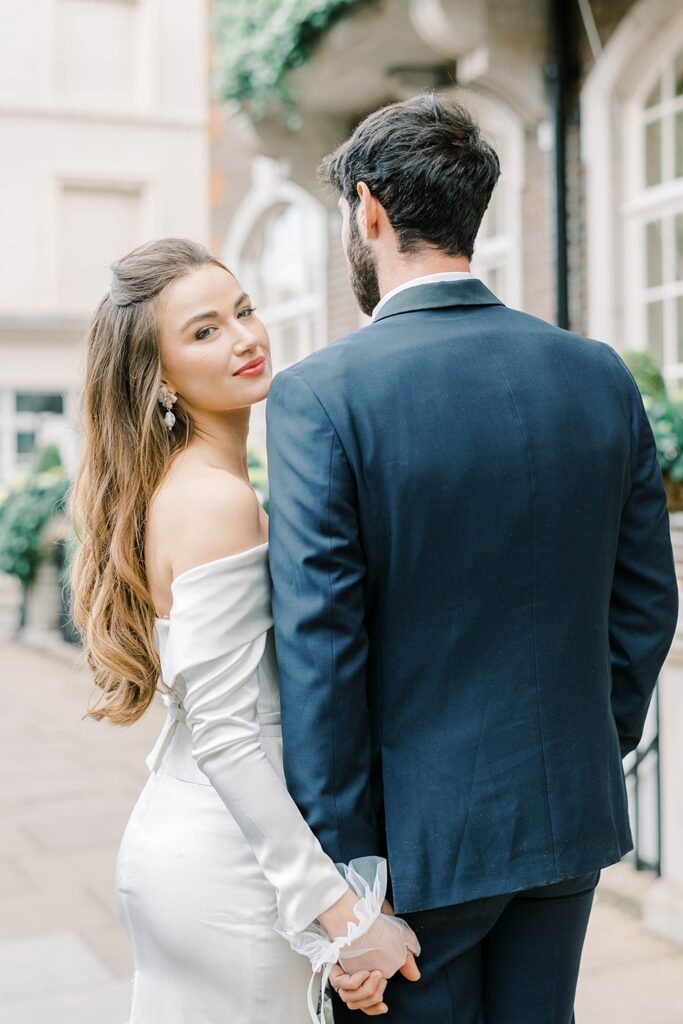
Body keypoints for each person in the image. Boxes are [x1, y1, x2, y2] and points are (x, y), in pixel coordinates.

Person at [265, 94, 679, 1024]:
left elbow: (321, 655)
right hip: (563, 822)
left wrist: (346, 893)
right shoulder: (596, 372)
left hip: (416, 855)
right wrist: (580, 744)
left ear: (367, 211)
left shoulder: (318, 395)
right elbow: (647, 604)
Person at [70, 237, 420, 1024]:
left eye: (243, 310)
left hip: (195, 841)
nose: (245, 338)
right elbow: (230, 737)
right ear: (157, 375)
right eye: (205, 331)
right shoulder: (212, 501)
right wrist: (343, 919)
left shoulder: (201, 483)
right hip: (227, 866)